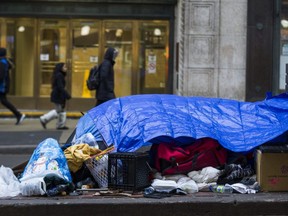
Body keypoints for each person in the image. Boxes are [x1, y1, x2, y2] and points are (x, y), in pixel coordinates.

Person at [40, 62, 71, 130]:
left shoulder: (59, 75)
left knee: (61, 110)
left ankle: (60, 125)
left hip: (58, 95)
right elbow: (60, 87)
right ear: (60, 68)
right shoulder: (59, 75)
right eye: (64, 67)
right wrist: (66, 94)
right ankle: (44, 119)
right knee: (58, 110)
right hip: (58, 95)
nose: (66, 68)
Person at [0, 47, 26, 125]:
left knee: (4, 101)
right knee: (4, 101)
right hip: (3, 86)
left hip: (2, 86)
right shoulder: (5, 61)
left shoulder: (2, 62)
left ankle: (18, 115)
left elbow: (1, 76)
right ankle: (18, 115)